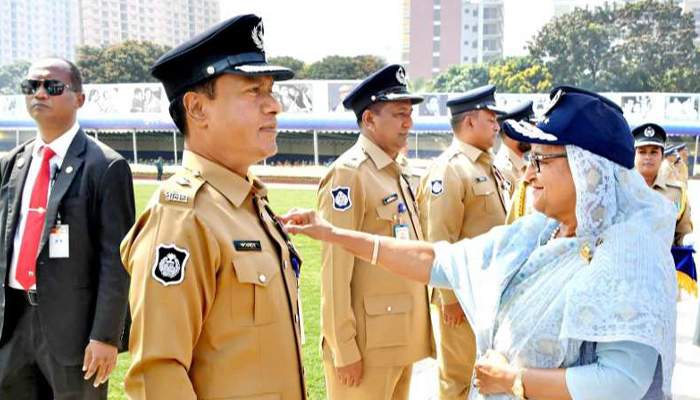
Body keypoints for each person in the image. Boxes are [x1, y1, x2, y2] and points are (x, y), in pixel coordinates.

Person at [281, 86, 676, 400]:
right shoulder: (538, 231)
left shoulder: (630, 254)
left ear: (589, 170)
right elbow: (440, 259)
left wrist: (514, 381)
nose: (528, 175)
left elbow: (622, 381)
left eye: (542, 161)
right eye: (530, 159)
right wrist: (334, 235)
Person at [119, 14, 306, 400]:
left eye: (270, 91)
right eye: (254, 91)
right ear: (198, 109)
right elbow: (158, 374)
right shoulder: (182, 216)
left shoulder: (249, 204)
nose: (274, 106)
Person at [0, 57, 134, 399]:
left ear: (79, 99)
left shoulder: (105, 166)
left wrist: (106, 335)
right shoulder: (11, 164)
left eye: (52, 86)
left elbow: (116, 262)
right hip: (13, 323)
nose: (39, 93)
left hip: (73, 332)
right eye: (31, 86)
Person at [317, 64, 432, 400]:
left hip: (398, 340)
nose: (408, 123)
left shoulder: (395, 172)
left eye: (409, 114)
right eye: (399, 114)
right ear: (369, 119)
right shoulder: (349, 175)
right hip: (366, 349)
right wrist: (343, 348)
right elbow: (335, 271)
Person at [416, 84, 508, 400]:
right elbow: (439, 238)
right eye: (491, 118)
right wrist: (448, 297)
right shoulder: (450, 169)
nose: (497, 125)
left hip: (488, 295)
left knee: (485, 378)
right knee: (458, 380)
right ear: (468, 122)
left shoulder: (487, 165)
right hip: (462, 299)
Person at [633, 123, 693, 247]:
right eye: (642, 152)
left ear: (662, 157)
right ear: (634, 156)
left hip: (662, 264)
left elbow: (681, 234)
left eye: (654, 152)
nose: (648, 157)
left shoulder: (676, 194)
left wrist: (687, 240)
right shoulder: (621, 189)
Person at [495, 100, 534, 198]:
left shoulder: (523, 164)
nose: (533, 134)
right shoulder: (503, 170)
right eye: (528, 129)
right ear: (511, 132)